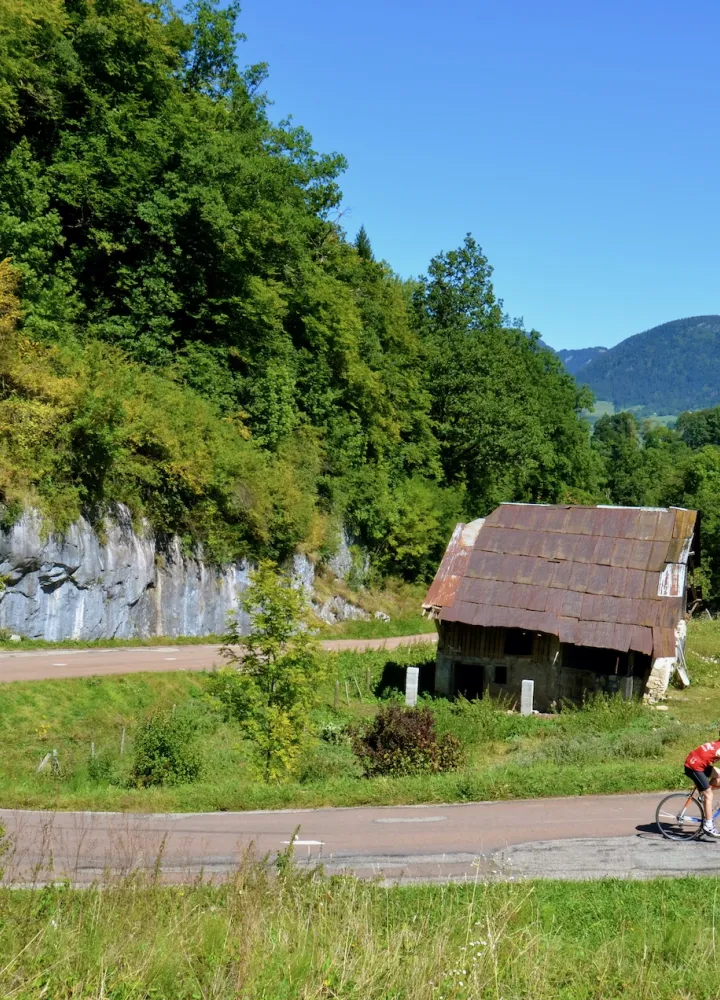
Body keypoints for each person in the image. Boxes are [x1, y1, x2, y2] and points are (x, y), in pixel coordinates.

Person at [685, 736, 720, 836]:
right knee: (709, 795)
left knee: (718, 776)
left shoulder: (717, 744)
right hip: (693, 767)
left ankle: (703, 791)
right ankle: (709, 825)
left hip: (699, 764)